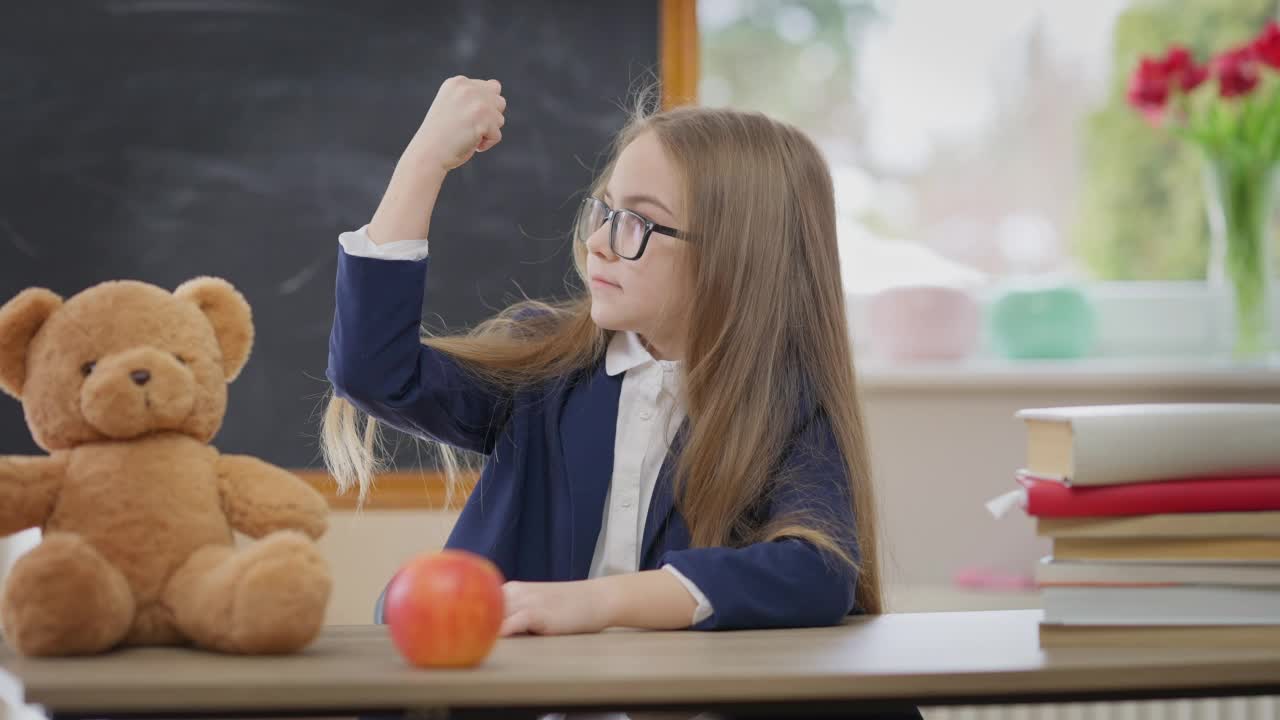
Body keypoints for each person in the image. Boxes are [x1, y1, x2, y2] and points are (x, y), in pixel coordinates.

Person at [324, 75, 883, 639]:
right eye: (605, 210)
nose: (597, 242)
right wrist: (424, 161)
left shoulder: (785, 403)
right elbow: (375, 371)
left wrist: (597, 602)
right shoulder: (543, 368)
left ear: (735, 258)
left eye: (636, 222)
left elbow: (819, 570)